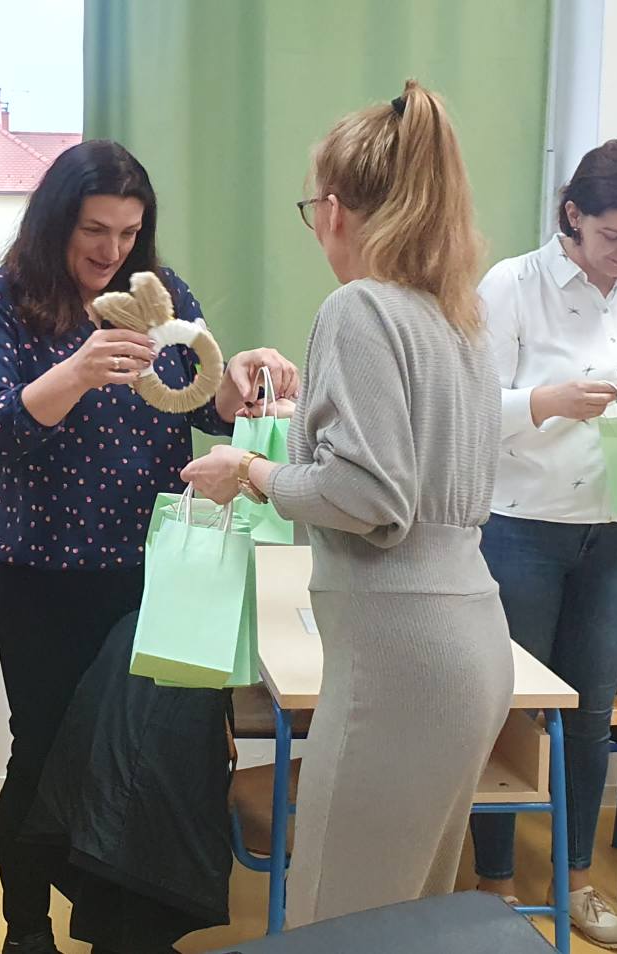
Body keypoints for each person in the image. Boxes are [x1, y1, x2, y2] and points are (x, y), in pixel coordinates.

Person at [0, 138, 298, 954]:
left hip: (154, 570)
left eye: (128, 232)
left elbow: (204, 401)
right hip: (38, 574)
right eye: (94, 231)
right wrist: (76, 372)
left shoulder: (159, 293)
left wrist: (240, 378)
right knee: (44, 752)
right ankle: (26, 930)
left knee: (146, 757)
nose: (111, 250)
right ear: (55, 223)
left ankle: (126, 930)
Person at [181, 80, 510, 926]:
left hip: (402, 655)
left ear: (331, 210)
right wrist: (302, 436)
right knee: (410, 916)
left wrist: (250, 472)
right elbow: (406, 476)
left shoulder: (358, 307)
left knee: (337, 917)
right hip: (471, 638)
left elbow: (367, 494)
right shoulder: (457, 318)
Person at [464, 139, 617, 950]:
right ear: (573, 216)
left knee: (592, 713)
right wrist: (546, 401)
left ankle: (576, 883)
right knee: (511, 711)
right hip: (522, 525)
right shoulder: (511, 286)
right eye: (612, 236)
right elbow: (468, 410)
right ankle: (494, 884)